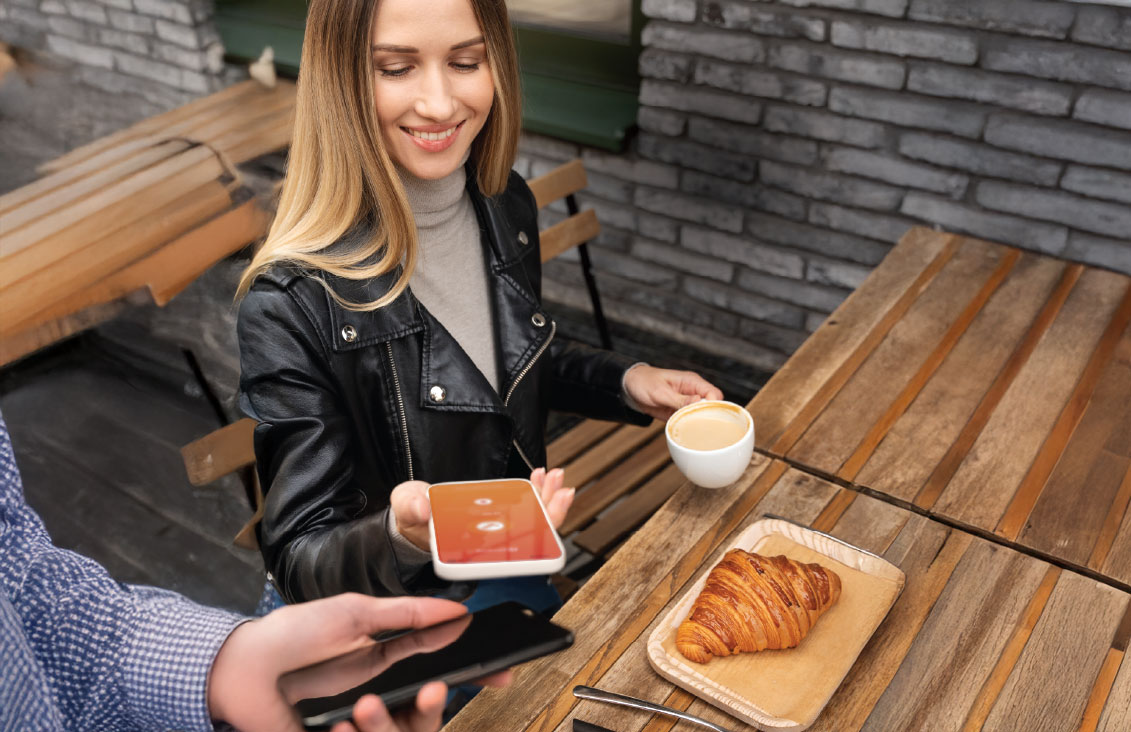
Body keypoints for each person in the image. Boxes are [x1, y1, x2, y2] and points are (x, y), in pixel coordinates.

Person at [235, 0, 723, 610]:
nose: (440, 104)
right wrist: (403, 537)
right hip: (390, 619)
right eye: (395, 68)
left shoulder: (501, 202)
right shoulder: (290, 301)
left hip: (511, 552)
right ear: (340, 79)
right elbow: (300, 562)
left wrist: (627, 380)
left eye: (466, 62)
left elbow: (496, 361)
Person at [0, 412, 509, 732]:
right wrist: (398, 538)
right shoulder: (288, 297)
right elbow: (298, 551)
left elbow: (16, 564)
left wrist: (222, 663)